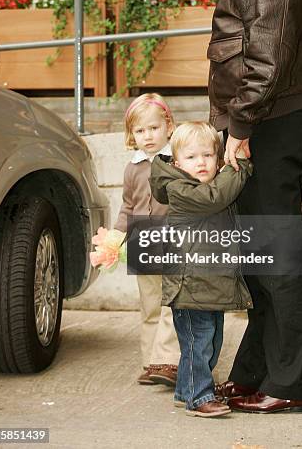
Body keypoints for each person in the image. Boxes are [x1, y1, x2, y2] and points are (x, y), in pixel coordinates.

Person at [188, 0, 302, 414]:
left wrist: (238, 129)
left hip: (269, 125)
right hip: (261, 123)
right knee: (259, 261)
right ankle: (258, 371)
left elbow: (265, 60)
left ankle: (292, 385)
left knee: (277, 260)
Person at [150, 122, 253, 417]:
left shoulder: (204, 184)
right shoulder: (181, 190)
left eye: (208, 155)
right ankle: (199, 396)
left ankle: (186, 390)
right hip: (190, 285)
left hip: (208, 283)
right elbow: (216, 198)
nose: (202, 162)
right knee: (199, 343)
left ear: (218, 157)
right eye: (193, 157)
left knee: (209, 340)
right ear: (177, 162)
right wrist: (240, 165)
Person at [115, 93, 180, 386]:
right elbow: (127, 207)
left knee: (172, 305)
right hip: (144, 246)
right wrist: (115, 238)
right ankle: (151, 362)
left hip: (173, 244)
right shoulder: (133, 168)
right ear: (132, 135)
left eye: (153, 128)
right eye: (140, 131)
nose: (148, 136)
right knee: (150, 306)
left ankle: (170, 362)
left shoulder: (177, 160)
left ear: (168, 126)